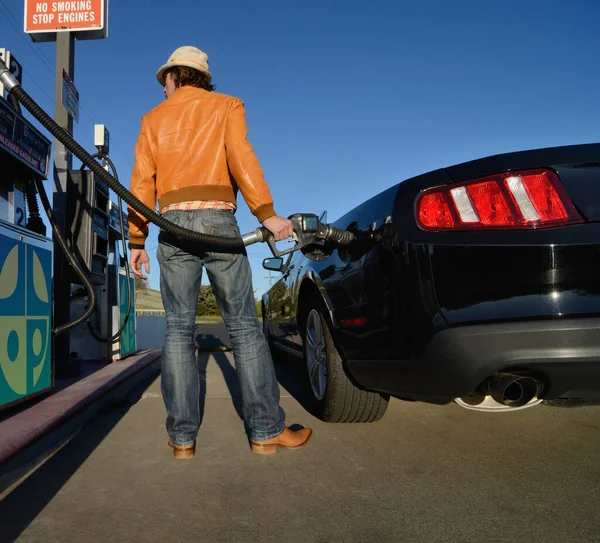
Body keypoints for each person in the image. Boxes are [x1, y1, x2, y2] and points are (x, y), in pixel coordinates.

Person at [127, 46, 312, 458]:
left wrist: (136, 240)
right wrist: (267, 214)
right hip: (218, 224)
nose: (163, 91)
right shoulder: (226, 106)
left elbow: (141, 183)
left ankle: (182, 440)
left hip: (171, 225)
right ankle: (265, 432)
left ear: (176, 75)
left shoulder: (152, 121)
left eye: (165, 82)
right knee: (245, 327)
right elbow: (241, 158)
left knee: (177, 330)